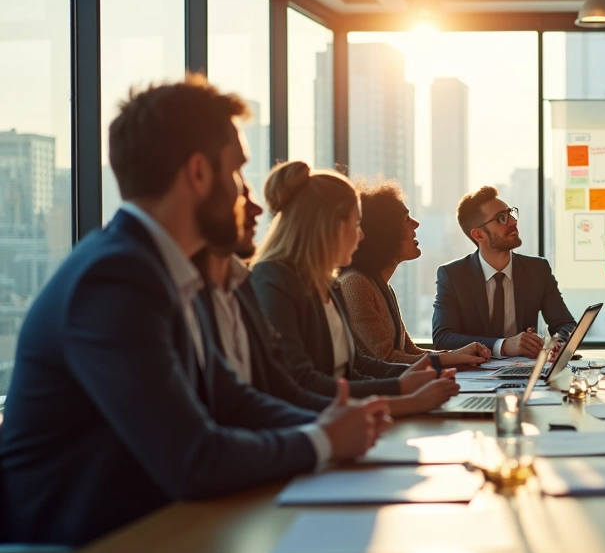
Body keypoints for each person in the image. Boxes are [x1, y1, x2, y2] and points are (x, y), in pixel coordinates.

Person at [0, 75, 388, 547]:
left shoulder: (167, 272)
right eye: (237, 172)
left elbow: (233, 400)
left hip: (162, 530)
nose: (247, 193)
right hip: (90, 550)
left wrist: (336, 423)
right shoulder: (115, 280)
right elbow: (192, 458)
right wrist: (323, 441)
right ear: (199, 173)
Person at [251, 162, 460, 414]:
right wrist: (402, 395)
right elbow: (301, 382)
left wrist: (418, 375)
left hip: (341, 418)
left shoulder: (328, 283)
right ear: (329, 225)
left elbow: (355, 367)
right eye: (357, 224)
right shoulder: (273, 281)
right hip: (316, 425)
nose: (361, 236)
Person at [193, 183, 333, 412]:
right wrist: (324, 433)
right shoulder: (268, 278)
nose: (258, 209)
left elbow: (272, 395)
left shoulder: (241, 284)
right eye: (240, 193)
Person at [337, 178, 489, 368]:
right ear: (385, 232)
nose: (416, 224)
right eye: (407, 219)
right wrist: (450, 359)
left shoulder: (383, 287)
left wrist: (457, 354)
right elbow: (386, 359)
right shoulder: (355, 283)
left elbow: (410, 352)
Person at [432, 186, 577, 355]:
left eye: (511, 214)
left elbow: (566, 324)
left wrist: (558, 343)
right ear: (479, 235)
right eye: (501, 218)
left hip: (526, 373)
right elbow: (443, 338)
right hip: (474, 373)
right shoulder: (453, 275)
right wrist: (503, 345)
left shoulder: (537, 270)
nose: (513, 222)